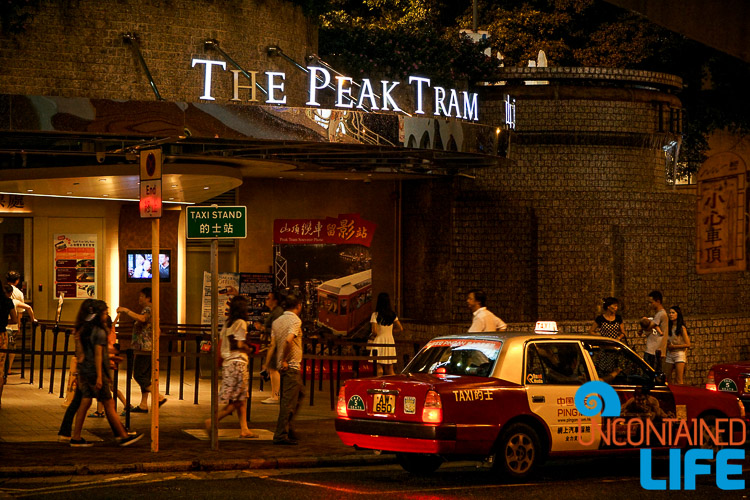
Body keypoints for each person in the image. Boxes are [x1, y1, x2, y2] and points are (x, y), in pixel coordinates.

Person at [69, 300, 143, 447]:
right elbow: (97, 354)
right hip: (95, 371)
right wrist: (100, 376)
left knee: (87, 401)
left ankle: (76, 436)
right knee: (108, 403)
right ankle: (122, 435)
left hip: (85, 369)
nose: (106, 316)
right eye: (104, 313)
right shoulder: (99, 331)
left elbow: (85, 352)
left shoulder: (84, 329)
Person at [204, 296, 257, 438]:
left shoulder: (227, 324)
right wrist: (250, 349)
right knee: (238, 399)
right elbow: (239, 344)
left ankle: (244, 428)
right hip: (238, 363)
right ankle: (213, 421)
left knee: (241, 397)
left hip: (228, 363)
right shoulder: (241, 323)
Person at [117, 287, 166, 413]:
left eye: (141, 296)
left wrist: (126, 311)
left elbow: (142, 318)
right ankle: (143, 404)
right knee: (145, 376)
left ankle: (158, 396)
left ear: (148, 298)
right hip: (149, 347)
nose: (139, 298)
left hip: (144, 348)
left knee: (138, 375)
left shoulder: (148, 308)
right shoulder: (153, 309)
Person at [269, 294, 304, 445]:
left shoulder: (276, 321)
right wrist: (284, 359)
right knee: (288, 402)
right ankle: (281, 434)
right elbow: (289, 340)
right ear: (298, 306)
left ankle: (288, 427)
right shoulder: (295, 320)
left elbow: (273, 344)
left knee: (298, 395)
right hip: (291, 365)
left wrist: (269, 363)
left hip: (281, 365)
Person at [257, 290, 284, 404]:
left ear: (275, 300)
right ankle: (274, 393)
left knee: (273, 368)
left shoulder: (277, 312)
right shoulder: (274, 312)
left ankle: (275, 394)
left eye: (268, 298)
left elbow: (276, 329)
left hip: (276, 342)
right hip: (273, 341)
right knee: (272, 368)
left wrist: (263, 329)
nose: (266, 300)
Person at [368, 293, 403, 376]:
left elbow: (374, 331)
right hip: (390, 340)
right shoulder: (392, 315)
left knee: (379, 366)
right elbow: (400, 328)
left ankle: (379, 385)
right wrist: (391, 332)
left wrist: (372, 336)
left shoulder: (375, 315)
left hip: (379, 340)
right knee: (390, 368)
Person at [5, 270, 33, 374]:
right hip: (13, 324)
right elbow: (20, 312)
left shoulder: (3, 290)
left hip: (2, 323)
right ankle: (9, 368)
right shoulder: (19, 294)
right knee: (12, 347)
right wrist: (19, 325)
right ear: (17, 281)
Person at [640, 290, 668, 370]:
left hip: (655, 350)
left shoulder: (661, 314)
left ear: (658, 301)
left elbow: (650, 326)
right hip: (652, 349)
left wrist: (643, 325)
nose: (650, 305)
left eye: (651, 302)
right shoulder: (657, 314)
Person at [0, 285, 18, 407]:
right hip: (1, 336)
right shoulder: (7, 301)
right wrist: (5, 322)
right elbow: (15, 319)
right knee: (0, 369)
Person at [665, 305, 691, 385]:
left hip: (679, 354)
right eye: (670, 313)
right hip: (670, 354)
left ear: (677, 314)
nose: (671, 314)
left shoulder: (681, 328)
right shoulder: (668, 327)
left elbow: (688, 344)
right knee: (666, 376)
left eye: (673, 313)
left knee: (678, 379)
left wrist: (674, 347)